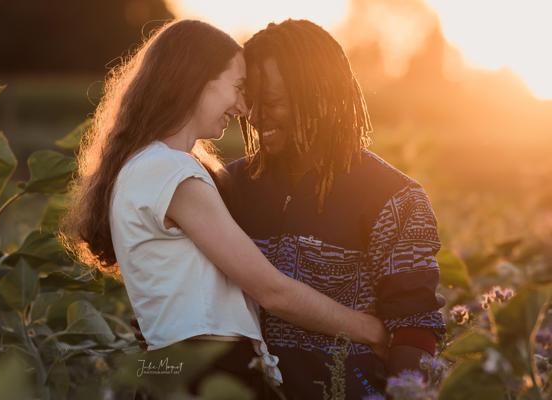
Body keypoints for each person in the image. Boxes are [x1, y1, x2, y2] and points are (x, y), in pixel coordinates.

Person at [61, 19, 389, 399]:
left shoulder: (143, 166)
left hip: (169, 364)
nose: (244, 107)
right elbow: (271, 290)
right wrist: (371, 330)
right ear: (195, 80)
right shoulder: (171, 171)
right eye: (236, 87)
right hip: (207, 363)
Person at [220, 19, 447, 399]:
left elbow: (414, 328)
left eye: (272, 103)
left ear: (319, 98)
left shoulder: (395, 198)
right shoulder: (226, 188)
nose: (255, 118)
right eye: (251, 102)